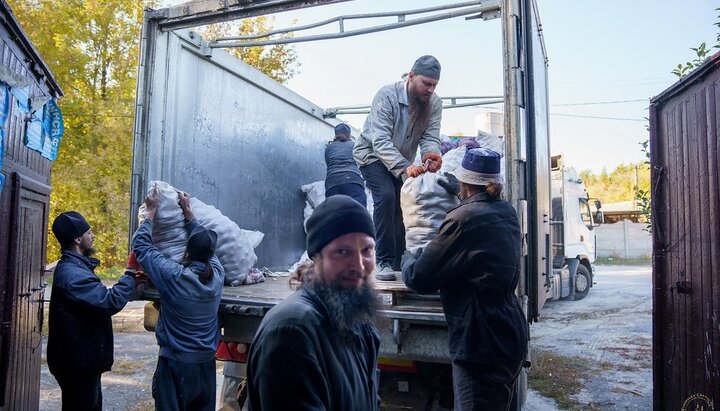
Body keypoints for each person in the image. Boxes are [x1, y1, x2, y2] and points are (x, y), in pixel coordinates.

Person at [402, 148, 528, 411]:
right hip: (509, 333)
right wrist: (462, 198)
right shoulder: (507, 211)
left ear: (464, 183)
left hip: (480, 341)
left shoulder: (462, 220)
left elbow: (419, 278)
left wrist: (408, 256)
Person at [247, 195, 380, 411]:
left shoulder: (357, 321)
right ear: (316, 257)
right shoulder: (291, 332)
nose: (359, 265)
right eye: (342, 251)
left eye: (367, 250)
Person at [132, 189, 225, 411]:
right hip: (205, 365)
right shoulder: (218, 276)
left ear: (186, 253)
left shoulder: (174, 276)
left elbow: (142, 247)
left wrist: (151, 212)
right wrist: (188, 211)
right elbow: (206, 250)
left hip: (175, 365)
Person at [353, 55, 444, 280]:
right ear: (411, 76)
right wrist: (404, 168)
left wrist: (430, 154)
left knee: (404, 205)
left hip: (401, 160)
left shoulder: (434, 103)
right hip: (372, 154)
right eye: (426, 83)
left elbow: (430, 136)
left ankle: (399, 260)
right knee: (386, 196)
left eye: (434, 85)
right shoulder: (387, 95)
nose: (430, 89)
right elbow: (380, 140)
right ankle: (382, 260)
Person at [47, 211, 141, 411]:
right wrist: (130, 273)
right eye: (89, 232)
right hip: (77, 364)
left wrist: (131, 281)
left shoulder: (75, 268)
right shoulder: (73, 275)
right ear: (78, 239)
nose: (93, 236)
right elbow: (108, 301)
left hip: (79, 361)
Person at [325, 122, 367, 206]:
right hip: (352, 180)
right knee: (358, 211)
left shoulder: (328, 148)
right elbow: (362, 162)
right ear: (349, 134)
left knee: (334, 214)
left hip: (332, 183)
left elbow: (328, 163)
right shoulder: (354, 146)